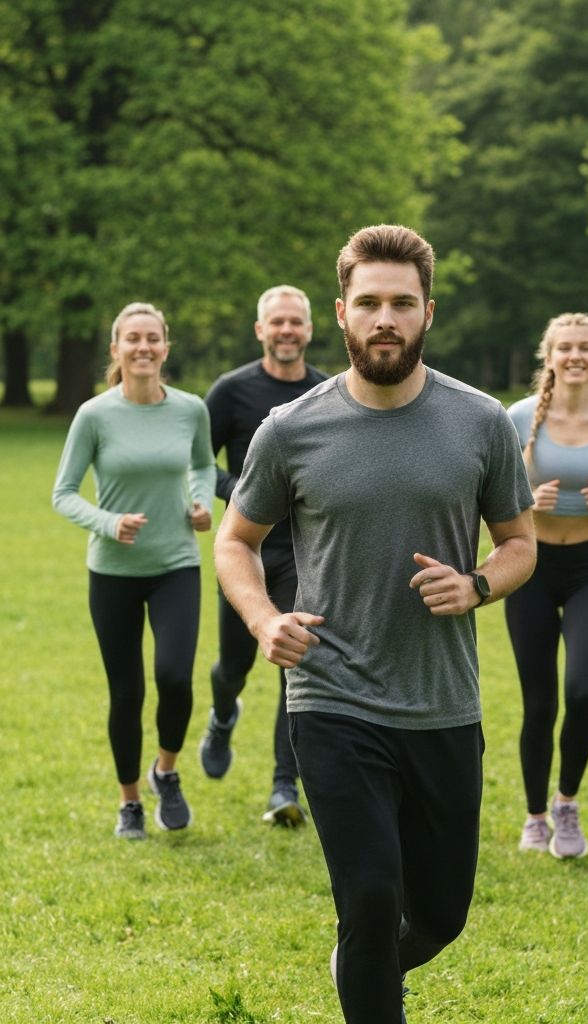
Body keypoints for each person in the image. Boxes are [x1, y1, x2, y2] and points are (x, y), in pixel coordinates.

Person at [213, 224, 536, 1023]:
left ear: (428, 310)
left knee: (438, 917)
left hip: (442, 702)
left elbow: (521, 544)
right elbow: (235, 542)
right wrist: (262, 620)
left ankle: (362, 970)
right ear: (341, 313)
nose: (384, 318)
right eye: (368, 304)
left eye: (401, 303)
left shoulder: (482, 421)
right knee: (368, 898)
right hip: (332, 698)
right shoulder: (291, 429)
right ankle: (365, 975)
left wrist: (478, 585)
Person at [52, 301, 216, 839]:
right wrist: (108, 522)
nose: (143, 347)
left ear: (165, 347)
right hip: (113, 572)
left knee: (174, 677)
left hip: (176, 564)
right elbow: (64, 493)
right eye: (132, 339)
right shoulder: (94, 415)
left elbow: (201, 464)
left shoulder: (190, 408)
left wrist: (200, 502)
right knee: (126, 692)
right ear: (116, 350)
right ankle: (130, 804)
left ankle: (164, 772)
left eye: (153, 338)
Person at [505, 313, 588, 858]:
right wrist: (523, 502)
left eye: (585, 347)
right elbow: (492, 491)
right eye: (565, 348)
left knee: (582, 693)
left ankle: (567, 804)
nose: (575, 356)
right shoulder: (516, 418)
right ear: (551, 356)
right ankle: (535, 816)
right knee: (539, 702)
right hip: (531, 570)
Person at [199, 285, 328, 826]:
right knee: (235, 664)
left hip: (305, 554)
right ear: (260, 331)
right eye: (277, 322)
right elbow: (198, 464)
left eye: (295, 322)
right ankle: (224, 713)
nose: (286, 331)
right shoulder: (230, 392)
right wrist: (245, 493)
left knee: (293, 665)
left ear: (310, 330)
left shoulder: (327, 393)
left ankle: (283, 785)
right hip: (245, 550)